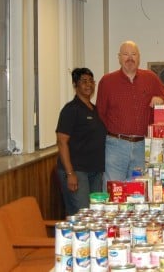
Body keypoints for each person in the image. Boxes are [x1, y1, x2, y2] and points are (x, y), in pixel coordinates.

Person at [96, 40, 164, 182]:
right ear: (119, 57)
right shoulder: (107, 81)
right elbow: (100, 113)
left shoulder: (150, 78)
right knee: (113, 188)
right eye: (125, 54)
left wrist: (161, 99)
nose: (130, 58)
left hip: (142, 145)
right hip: (115, 145)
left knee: (137, 190)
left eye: (133, 54)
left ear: (139, 58)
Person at [56, 68, 107, 215]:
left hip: (95, 171)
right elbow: (62, 142)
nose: (89, 85)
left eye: (91, 81)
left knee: (96, 213)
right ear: (75, 84)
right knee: (82, 214)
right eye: (84, 81)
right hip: (77, 171)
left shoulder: (95, 109)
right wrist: (70, 173)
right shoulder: (71, 109)